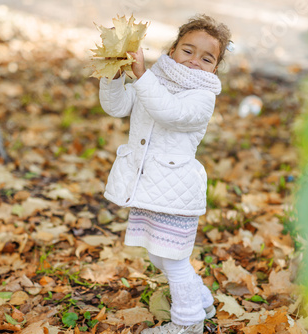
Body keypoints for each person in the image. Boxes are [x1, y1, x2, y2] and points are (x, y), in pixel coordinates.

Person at [98, 14, 232, 334]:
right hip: (150, 188)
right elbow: (117, 107)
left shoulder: (202, 96)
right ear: (173, 49)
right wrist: (115, 76)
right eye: (188, 50)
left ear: (215, 68)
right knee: (161, 257)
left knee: (172, 259)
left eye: (206, 58)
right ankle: (200, 300)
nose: (194, 61)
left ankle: (188, 324)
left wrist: (142, 75)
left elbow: (170, 113)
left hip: (176, 191)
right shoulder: (155, 79)